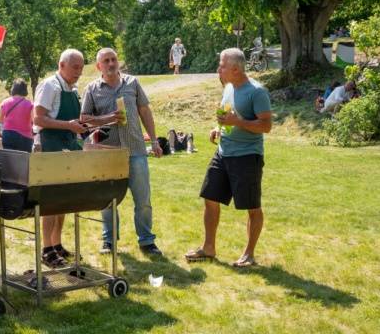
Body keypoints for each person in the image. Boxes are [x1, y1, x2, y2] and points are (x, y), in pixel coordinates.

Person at [184, 48, 272, 267]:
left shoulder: (257, 92)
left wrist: (238, 122)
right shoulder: (229, 87)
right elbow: (227, 115)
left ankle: (249, 254)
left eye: (222, 65)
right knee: (210, 198)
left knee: (252, 206)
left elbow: (266, 126)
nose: (218, 69)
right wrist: (218, 128)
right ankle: (209, 248)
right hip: (223, 152)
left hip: (247, 156)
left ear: (235, 69)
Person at [80, 48, 164, 256]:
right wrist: (108, 118)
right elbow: (84, 119)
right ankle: (109, 240)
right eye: (106, 61)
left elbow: (145, 110)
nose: (111, 63)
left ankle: (146, 241)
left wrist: (154, 140)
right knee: (108, 199)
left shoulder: (132, 83)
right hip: (107, 153)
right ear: (98, 66)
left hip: (135, 149)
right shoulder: (92, 89)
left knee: (143, 199)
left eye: (113, 59)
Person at [33, 49, 87, 268]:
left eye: (81, 69)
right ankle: (46, 249)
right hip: (50, 146)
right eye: (75, 68)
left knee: (63, 199)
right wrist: (68, 125)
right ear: (61, 65)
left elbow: (74, 119)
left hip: (68, 145)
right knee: (50, 201)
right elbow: (38, 118)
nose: (79, 73)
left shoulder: (73, 89)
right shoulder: (49, 86)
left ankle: (56, 244)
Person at [0, 78, 34, 152]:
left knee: (10, 159)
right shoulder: (30, 104)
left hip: (8, 134)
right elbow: (33, 119)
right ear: (25, 89)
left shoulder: (5, 102)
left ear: (13, 89)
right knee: (23, 160)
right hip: (25, 136)